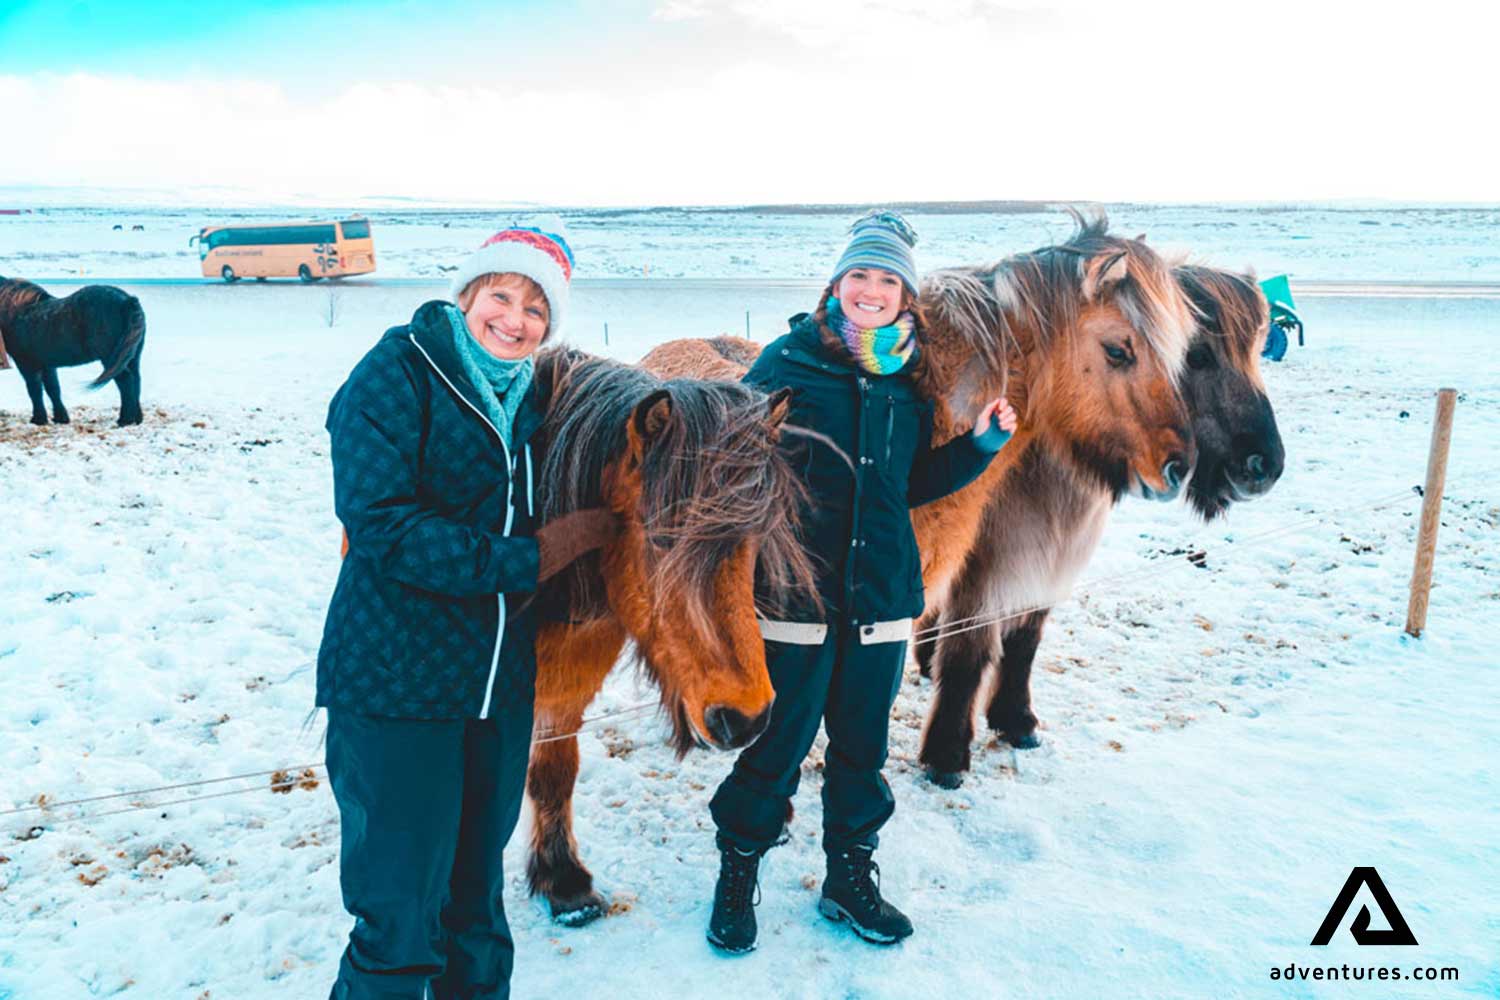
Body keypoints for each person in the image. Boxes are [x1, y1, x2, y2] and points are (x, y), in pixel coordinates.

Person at [317, 219, 615, 999]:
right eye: (502, 296)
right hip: (395, 689)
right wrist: (538, 555)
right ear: (468, 294)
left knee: (476, 915)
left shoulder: (533, 400)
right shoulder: (398, 372)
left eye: (537, 310)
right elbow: (380, 525)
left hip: (495, 694)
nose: (516, 321)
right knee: (398, 925)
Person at [706, 211, 1018, 953]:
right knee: (774, 750)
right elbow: (731, 462)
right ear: (837, 284)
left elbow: (909, 484)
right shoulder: (786, 362)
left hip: (880, 603)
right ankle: (737, 877)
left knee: (861, 755)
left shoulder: (909, 386)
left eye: (888, 281)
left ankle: (849, 880)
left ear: (907, 299)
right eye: (860, 276)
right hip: (796, 601)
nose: (871, 291)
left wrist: (981, 447)